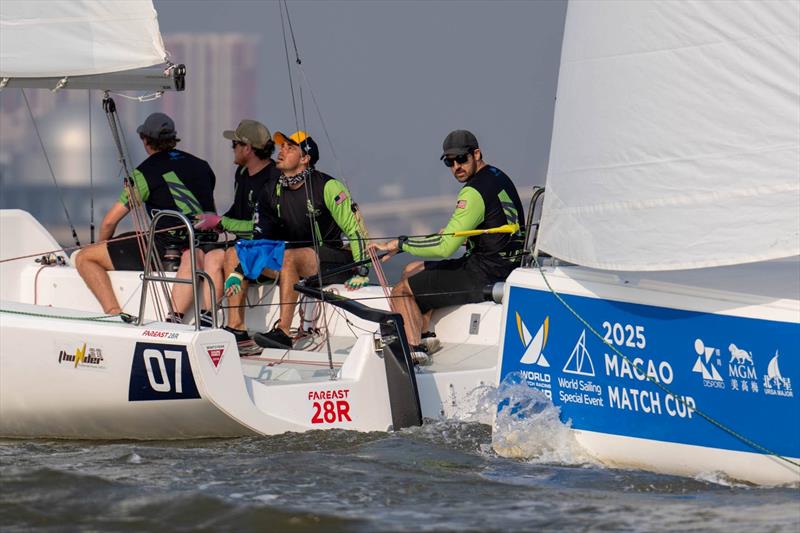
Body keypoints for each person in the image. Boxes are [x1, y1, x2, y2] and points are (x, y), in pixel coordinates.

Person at [370, 130, 525, 361]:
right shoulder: (498, 176)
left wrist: (401, 244)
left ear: (476, 153)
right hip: (503, 265)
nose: (456, 167)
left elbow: (444, 248)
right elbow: (495, 224)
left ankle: (413, 353)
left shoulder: (473, 191)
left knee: (401, 291)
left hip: (484, 273)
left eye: (461, 159)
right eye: (449, 162)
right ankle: (426, 336)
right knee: (412, 269)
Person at [224, 130, 369, 350]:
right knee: (235, 252)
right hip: (290, 260)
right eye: (282, 146)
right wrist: (238, 270)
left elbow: (354, 229)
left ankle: (283, 332)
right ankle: (237, 330)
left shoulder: (328, 186)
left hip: (332, 258)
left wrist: (363, 270)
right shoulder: (271, 191)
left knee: (287, 257)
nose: (281, 151)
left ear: (305, 159)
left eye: (290, 148)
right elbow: (260, 239)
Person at [75, 112, 217, 320]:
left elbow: (109, 221)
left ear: (145, 141)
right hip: (205, 244)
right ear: (173, 139)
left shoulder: (143, 173)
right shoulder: (203, 166)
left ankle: (114, 314)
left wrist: (102, 245)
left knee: (85, 257)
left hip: (166, 248)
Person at [188, 119, 281, 354]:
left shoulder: (273, 179)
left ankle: (238, 331)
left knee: (231, 254)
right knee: (210, 256)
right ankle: (210, 319)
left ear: (247, 148)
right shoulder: (242, 173)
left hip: (270, 251)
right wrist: (213, 221)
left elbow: (262, 229)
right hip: (247, 247)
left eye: (235, 145)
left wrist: (222, 222)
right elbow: (238, 213)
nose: (232, 149)